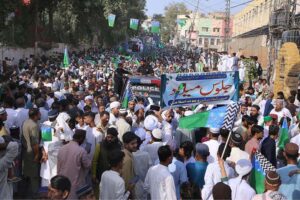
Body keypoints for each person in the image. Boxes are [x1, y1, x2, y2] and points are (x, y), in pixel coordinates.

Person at [57, 129, 92, 199]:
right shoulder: (81, 151)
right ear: (81, 138)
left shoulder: (61, 149)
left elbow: (58, 167)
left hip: (62, 183)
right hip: (75, 185)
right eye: (84, 139)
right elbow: (88, 165)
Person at [21, 108, 41, 198]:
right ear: (36, 115)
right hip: (32, 152)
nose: (40, 115)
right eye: (39, 113)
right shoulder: (34, 125)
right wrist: (37, 155)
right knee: (34, 175)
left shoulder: (26, 122)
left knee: (26, 173)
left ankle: (24, 193)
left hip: (25, 151)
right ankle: (35, 194)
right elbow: (35, 143)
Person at [121, 132, 138, 196]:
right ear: (125, 145)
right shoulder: (127, 159)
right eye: (132, 143)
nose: (135, 145)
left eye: (136, 142)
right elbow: (126, 182)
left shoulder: (126, 154)